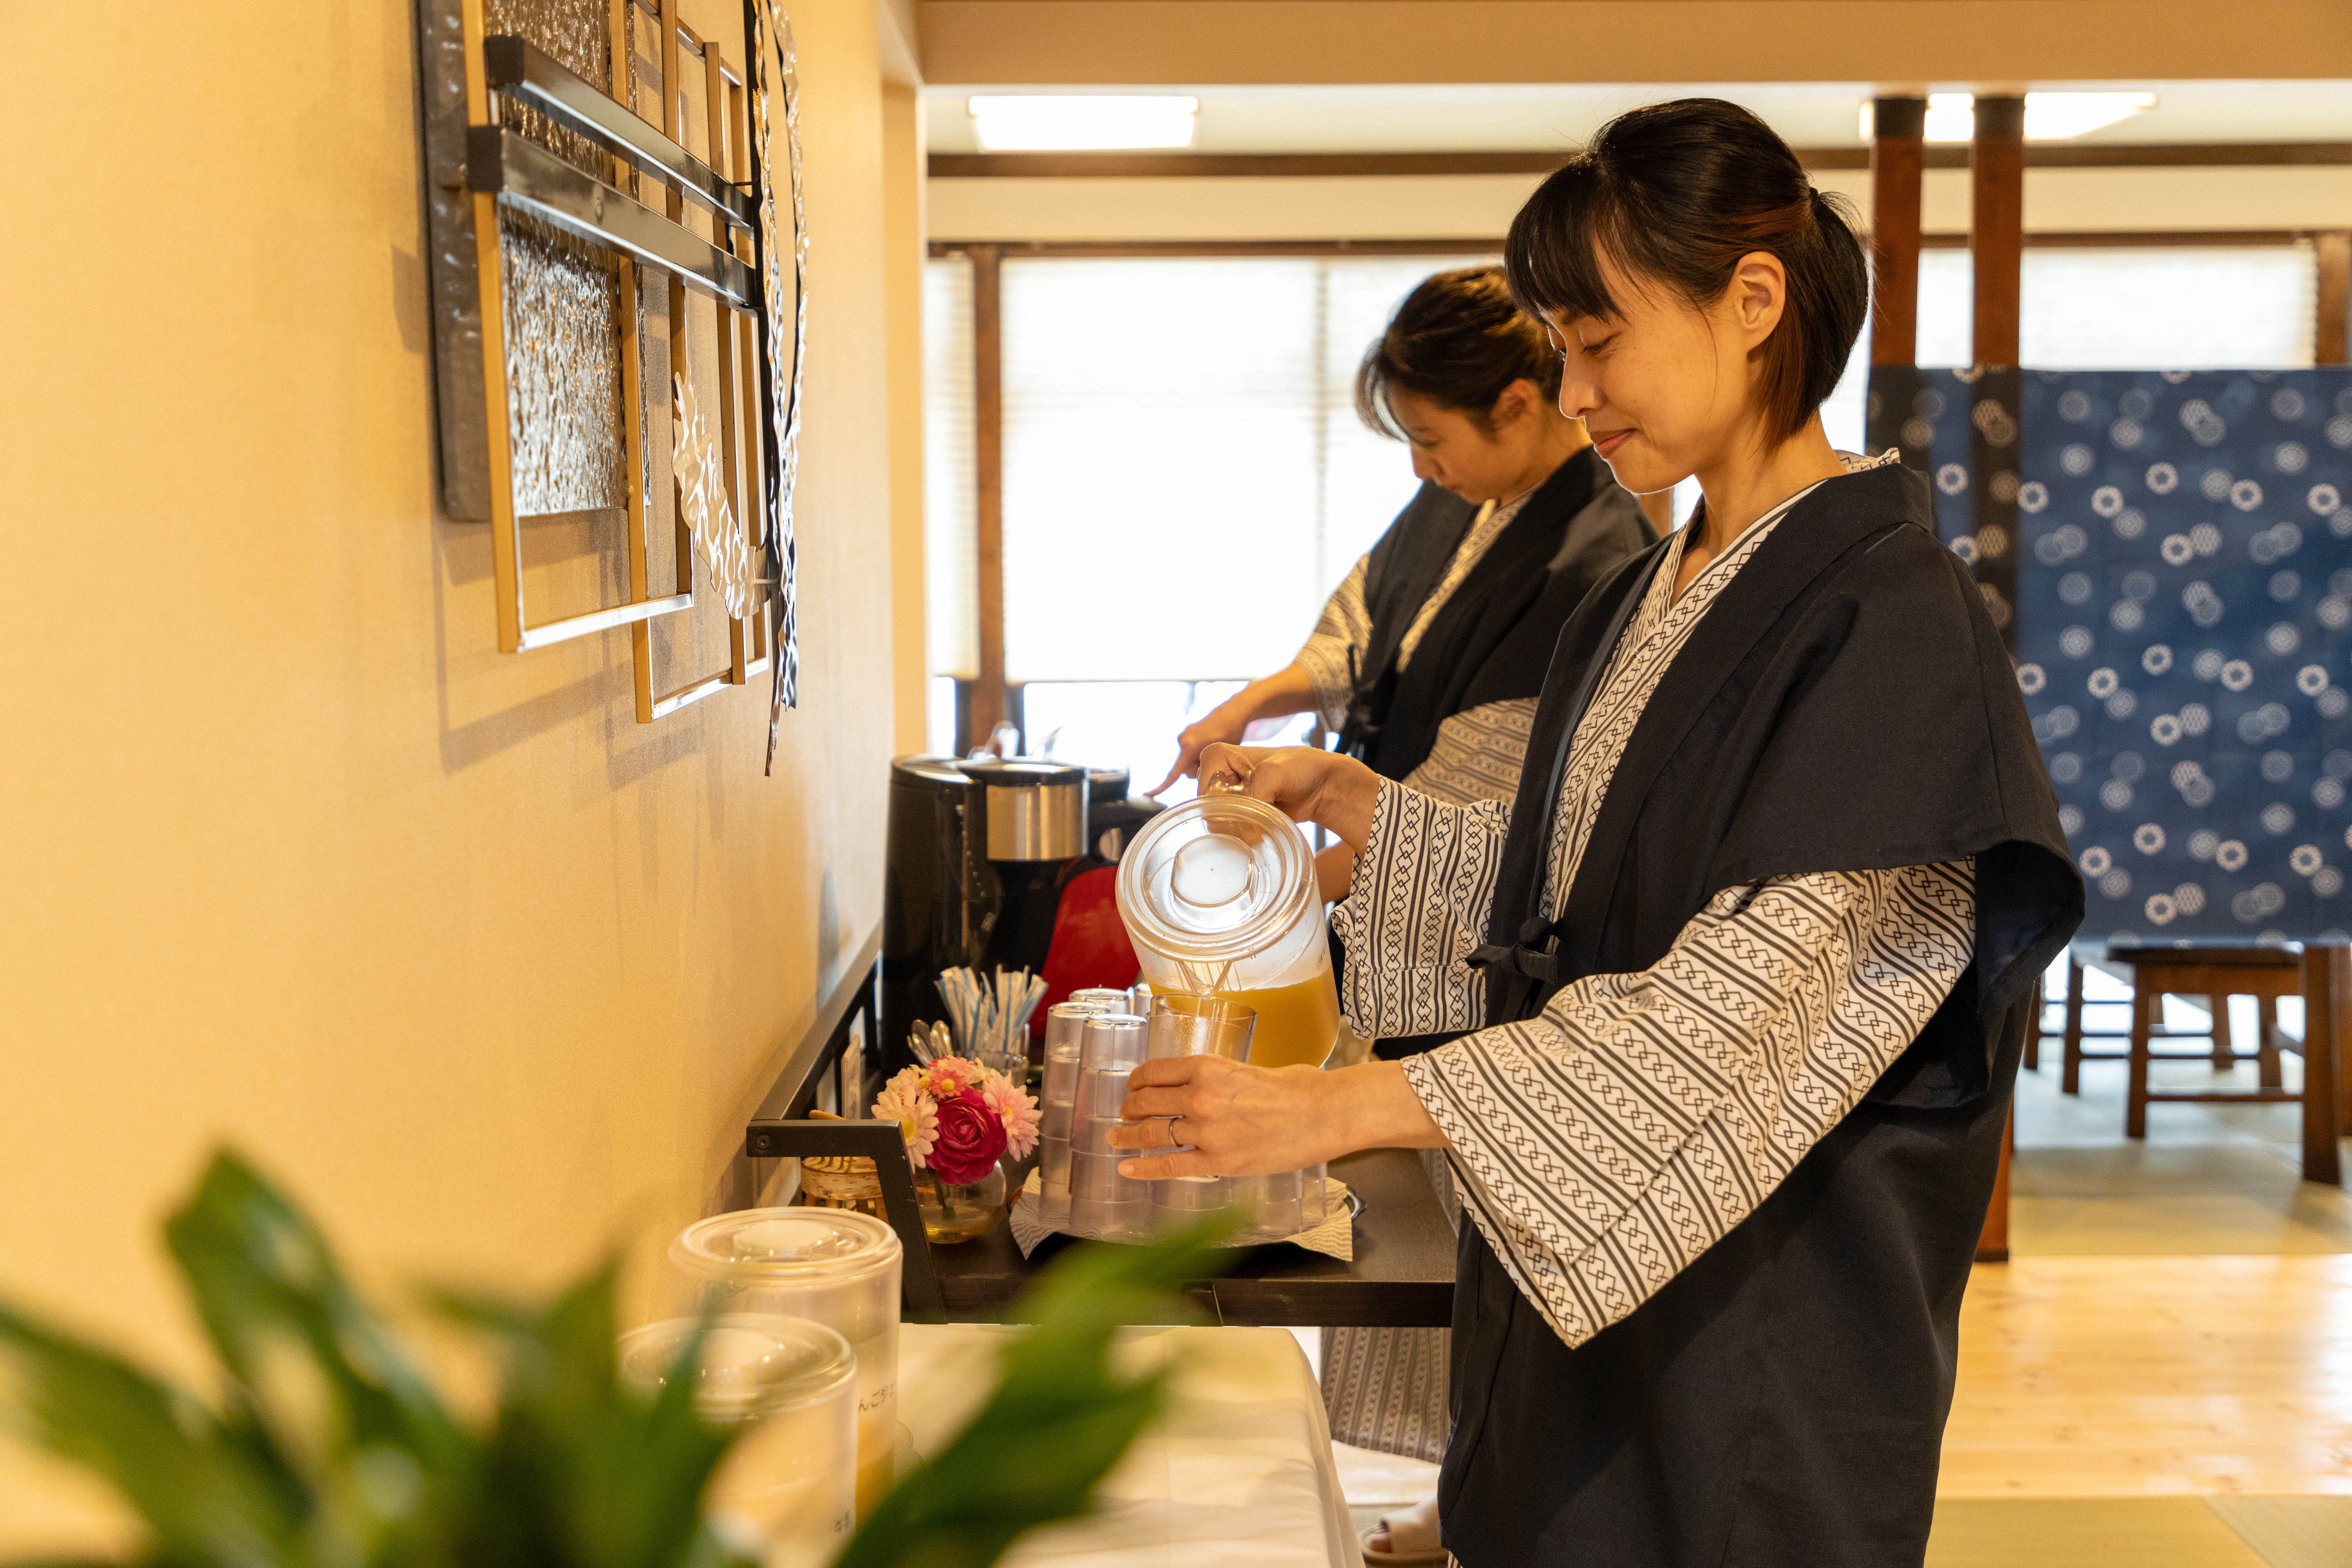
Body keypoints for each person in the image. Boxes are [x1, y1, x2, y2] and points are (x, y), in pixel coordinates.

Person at [1111, 99, 2082, 1568]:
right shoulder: (1646, 595)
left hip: (1759, 1319)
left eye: (1598, 337)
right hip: (1591, 1294)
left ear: (1752, 301)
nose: (1573, 391)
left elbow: (1747, 1009)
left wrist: (1339, 1109)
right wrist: (1374, 819)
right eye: (1561, 349)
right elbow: (1568, 900)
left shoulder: (1893, 621)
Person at [1154, 266, 1653, 906]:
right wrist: (1251, 706)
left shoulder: (1593, 564)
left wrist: (1253, 896)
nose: (1421, 467)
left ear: (1517, 405)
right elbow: (1362, 633)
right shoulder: (1460, 496)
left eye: (1430, 440)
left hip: (1443, 911)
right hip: (1359, 873)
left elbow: (1453, 818)